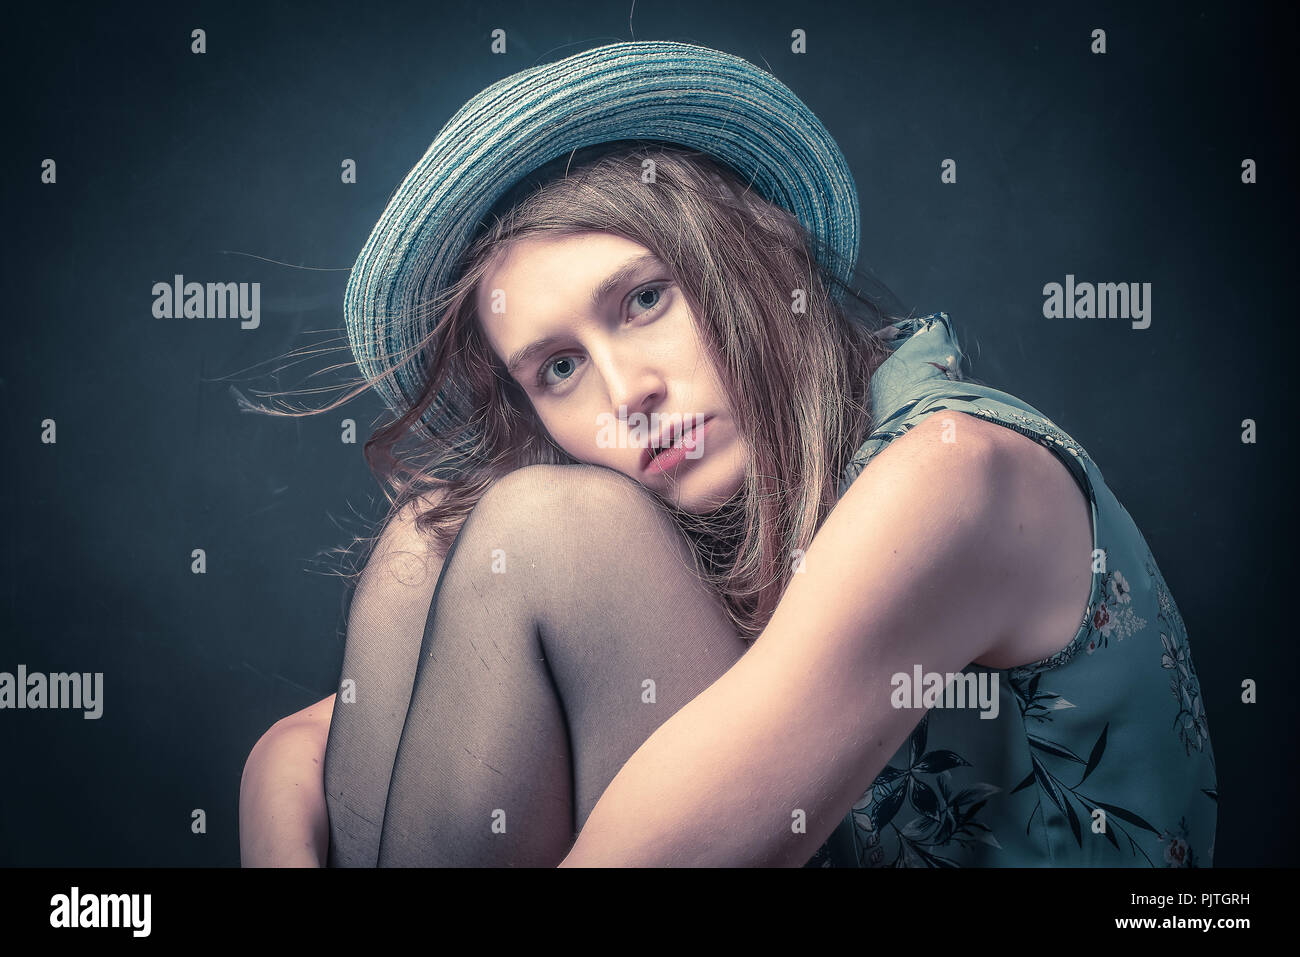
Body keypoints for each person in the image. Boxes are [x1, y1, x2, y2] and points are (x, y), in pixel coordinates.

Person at [238, 40, 1217, 867]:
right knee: (430, 538)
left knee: (549, 524)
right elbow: (294, 754)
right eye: (561, 368)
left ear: (770, 245)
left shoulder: (953, 474)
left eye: (645, 299)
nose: (629, 396)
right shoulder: (708, 523)